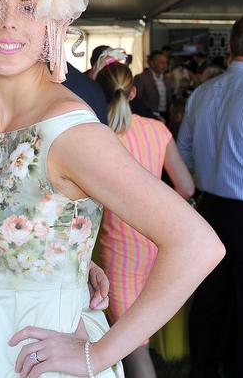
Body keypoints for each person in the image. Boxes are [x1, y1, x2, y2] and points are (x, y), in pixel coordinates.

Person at [0, 0, 224, 377]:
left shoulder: (70, 131)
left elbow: (198, 245)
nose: (9, 22)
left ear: (53, 22)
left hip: (39, 357)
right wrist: (67, 259)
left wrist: (100, 352)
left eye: (28, 6)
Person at [95, 61, 194, 378]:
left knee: (133, 349)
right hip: (158, 247)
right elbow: (186, 187)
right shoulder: (157, 130)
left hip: (117, 252)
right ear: (133, 92)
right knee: (142, 336)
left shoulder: (97, 137)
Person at [178, 15, 243, 378]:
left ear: (230, 49)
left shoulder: (203, 92)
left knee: (210, 298)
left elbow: (183, 152)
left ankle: (204, 368)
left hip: (209, 210)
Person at [133, 51, 173, 119]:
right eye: (162, 63)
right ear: (152, 63)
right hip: (147, 116)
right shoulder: (141, 78)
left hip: (165, 115)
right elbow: (135, 100)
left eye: (166, 63)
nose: (165, 66)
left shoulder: (167, 79)